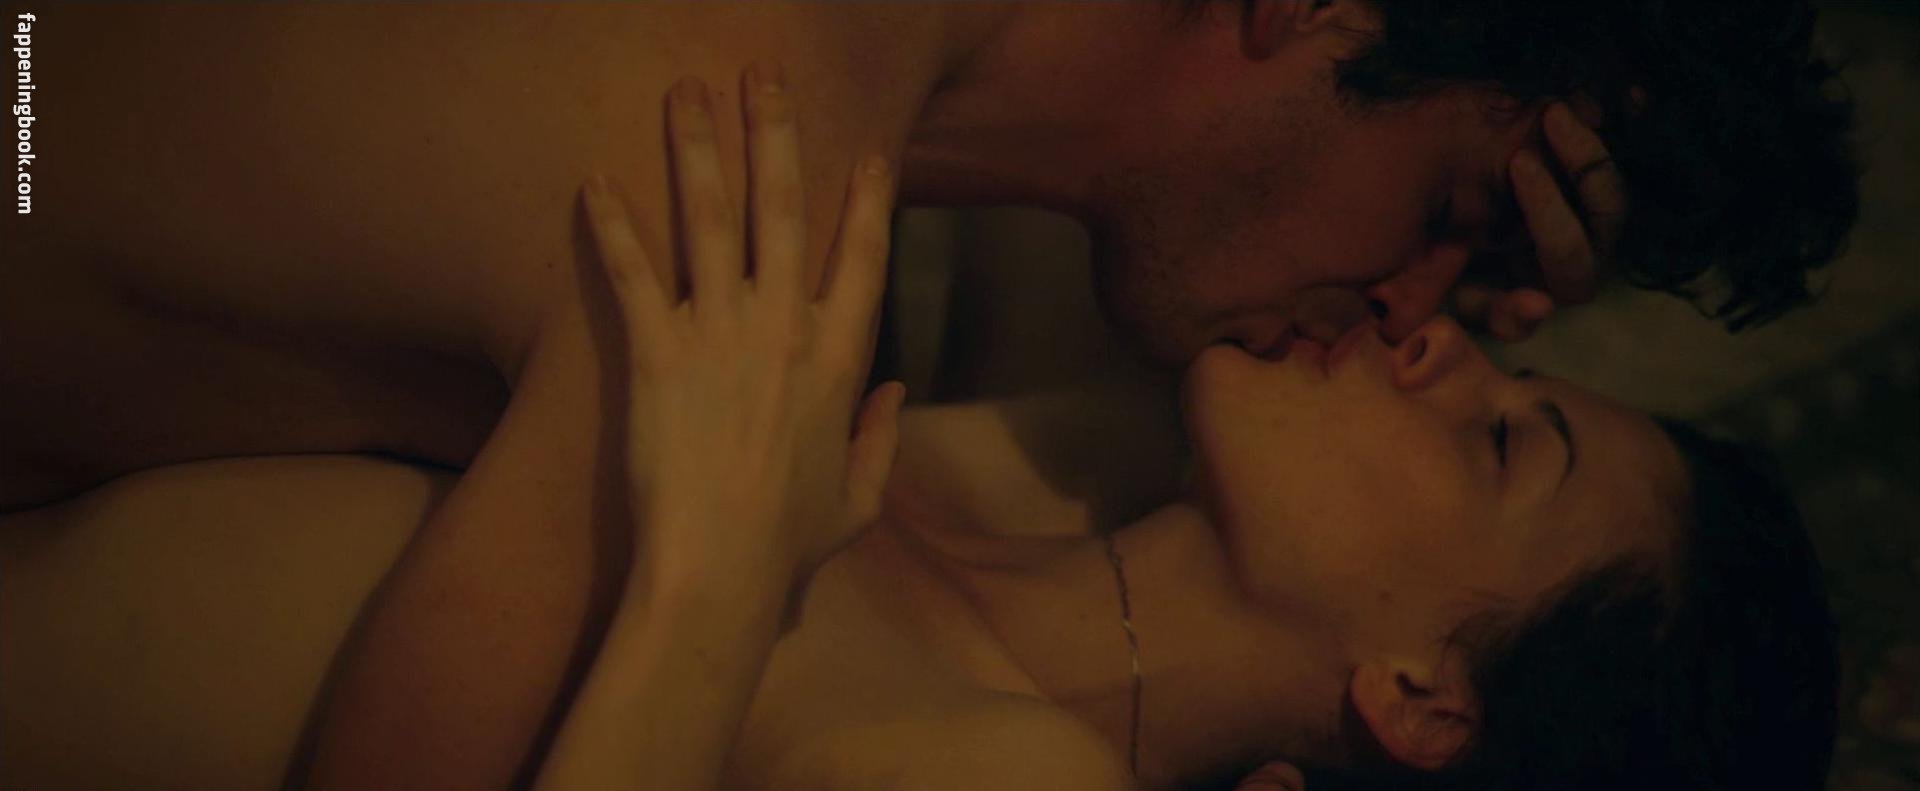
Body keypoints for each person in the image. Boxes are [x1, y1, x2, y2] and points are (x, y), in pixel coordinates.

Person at [0, 2, 1853, 788]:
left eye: (1507, 400)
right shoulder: (788, 242)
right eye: (1453, 223)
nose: (1426, 326)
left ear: (1424, 696)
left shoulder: (1000, 713)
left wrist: (708, 594)